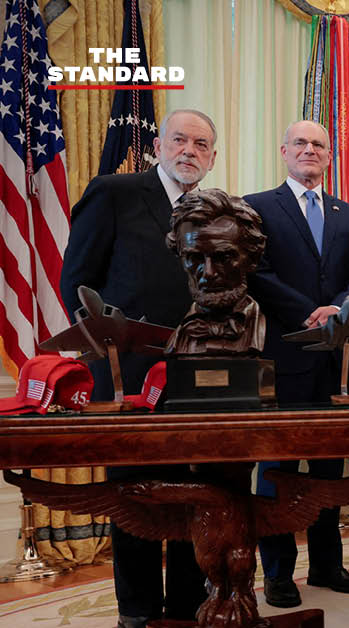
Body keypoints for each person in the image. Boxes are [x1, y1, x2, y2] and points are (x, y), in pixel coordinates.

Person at [59, 109, 217, 627]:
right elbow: (76, 281)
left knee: (197, 492)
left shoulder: (216, 211)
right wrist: (105, 347)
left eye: (201, 144)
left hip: (198, 375)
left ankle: (189, 607)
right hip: (126, 375)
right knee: (135, 497)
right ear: (158, 146)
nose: (189, 151)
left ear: (213, 157)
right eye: (179, 140)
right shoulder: (114, 192)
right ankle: (139, 612)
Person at [244, 120, 349, 607]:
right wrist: (308, 311)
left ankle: (326, 564)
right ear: (284, 151)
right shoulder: (257, 207)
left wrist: (338, 307)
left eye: (319, 144)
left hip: (335, 358)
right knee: (277, 466)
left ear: (329, 156)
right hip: (282, 356)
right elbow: (256, 273)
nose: (309, 149)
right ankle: (278, 573)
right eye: (300, 142)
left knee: (328, 468)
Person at [163, 188, 267, 356]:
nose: (209, 272)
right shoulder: (181, 333)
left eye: (224, 257)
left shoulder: (271, 332)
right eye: (194, 258)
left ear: (251, 259)